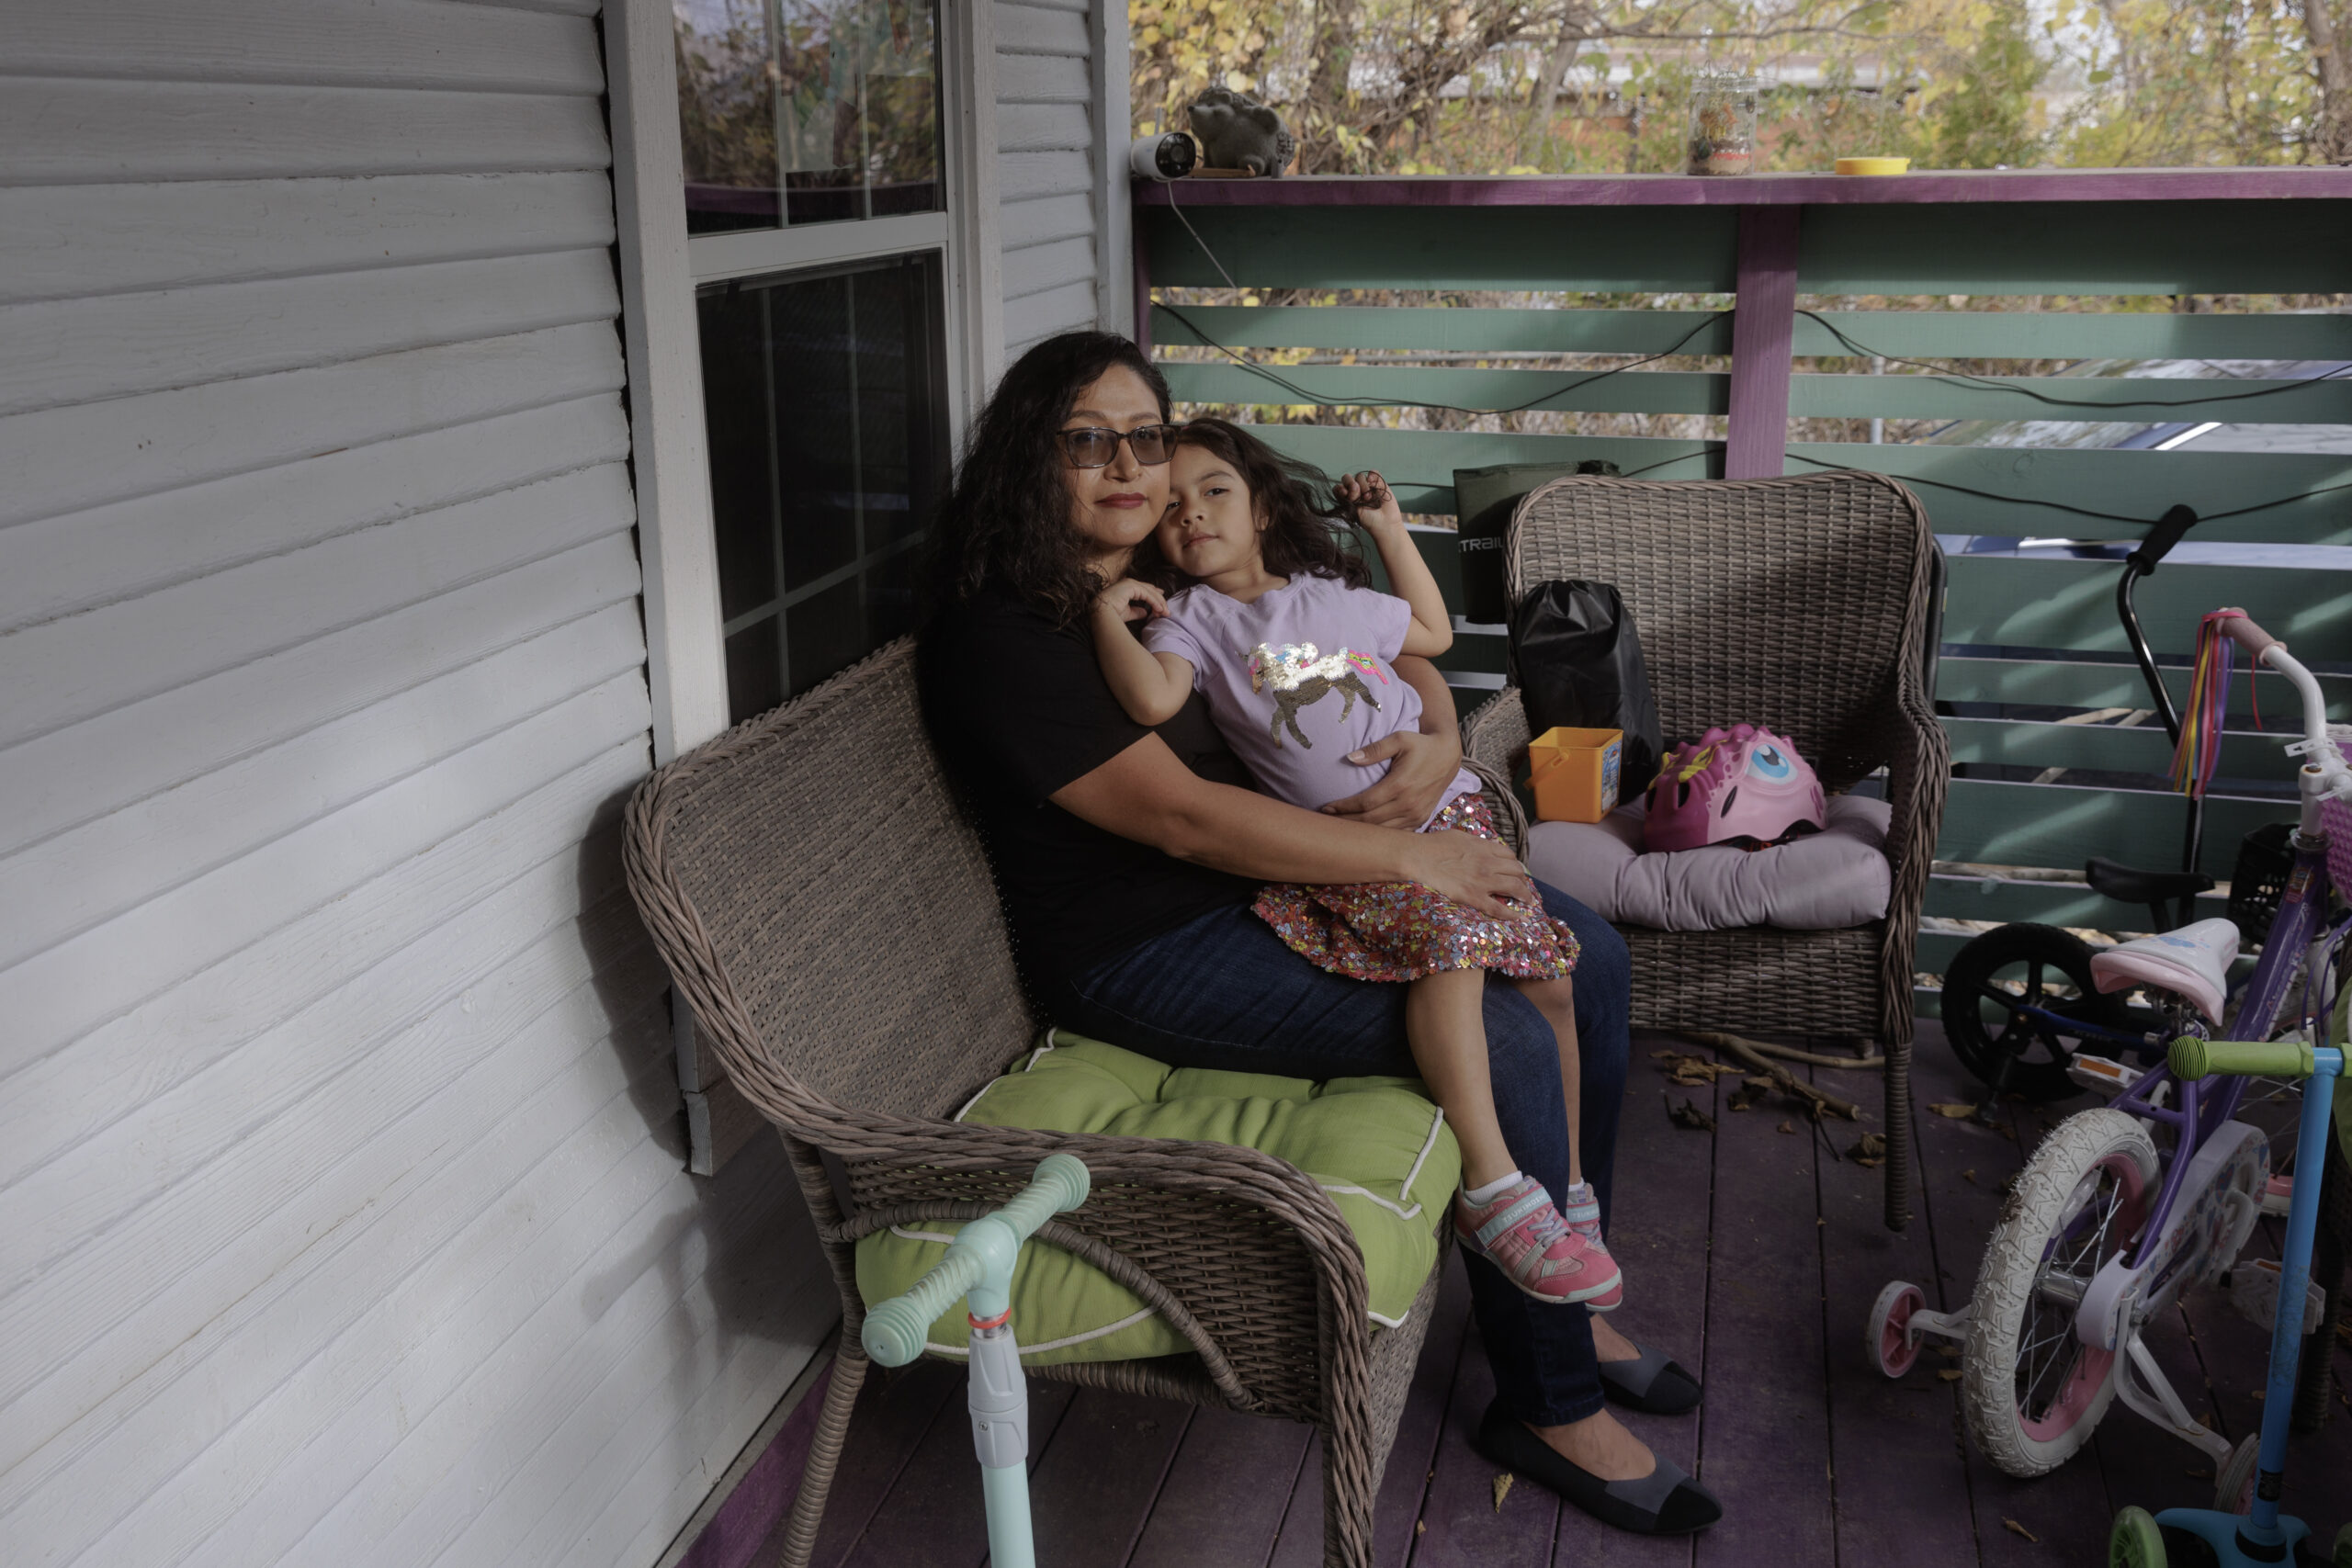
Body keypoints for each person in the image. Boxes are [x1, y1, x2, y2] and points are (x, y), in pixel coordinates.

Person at [915, 331, 1720, 1536]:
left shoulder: (1171, 578)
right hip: (1148, 949)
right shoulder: (1007, 634)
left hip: (1272, 887)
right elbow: (1186, 819)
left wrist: (1441, 743)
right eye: (1093, 439)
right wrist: (1418, 854)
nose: (1134, 467)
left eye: (1148, 435)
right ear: (1035, 456)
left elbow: (1368, 654)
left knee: (1589, 955)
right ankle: (1548, 1398)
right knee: (1503, 1027)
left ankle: (1566, 1264)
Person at [1085, 418, 1619, 1310]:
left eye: (1215, 490)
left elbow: (1432, 637)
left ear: (1260, 508)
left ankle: (1566, 1197)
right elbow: (1148, 698)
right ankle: (1493, 1192)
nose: (1193, 513)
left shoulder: (1329, 592)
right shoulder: (1197, 622)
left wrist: (1386, 528)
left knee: (1555, 985)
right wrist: (1109, 616)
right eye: (1171, 506)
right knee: (1450, 956)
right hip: (1355, 851)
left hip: (1452, 815)